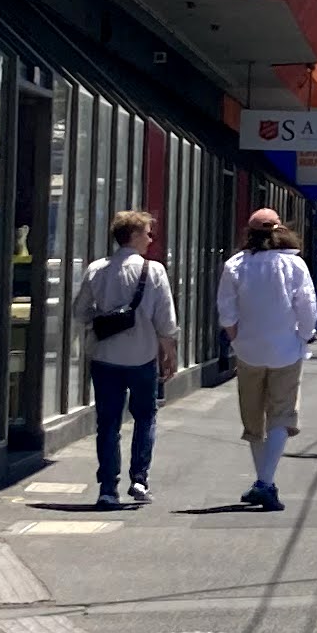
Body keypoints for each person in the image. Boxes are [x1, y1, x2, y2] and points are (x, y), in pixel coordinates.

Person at [218, 205, 317, 511]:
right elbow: (307, 305)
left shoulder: (235, 264)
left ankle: (263, 481)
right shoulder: (294, 264)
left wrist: (236, 338)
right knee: (281, 414)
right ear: (280, 231)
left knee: (254, 417)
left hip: (248, 351)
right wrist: (304, 335)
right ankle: (264, 483)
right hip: (286, 350)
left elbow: (226, 310)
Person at [76, 208, 177, 509]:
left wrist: (104, 317)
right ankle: (139, 479)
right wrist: (169, 350)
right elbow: (165, 319)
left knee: (108, 423)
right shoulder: (154, 270)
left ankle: (108, 487)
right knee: (145, 417)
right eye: (147, 233)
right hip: (143, 356)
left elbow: (80, 311)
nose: (150, 238)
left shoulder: (96, 269)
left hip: (105, 356)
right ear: (133, 235)